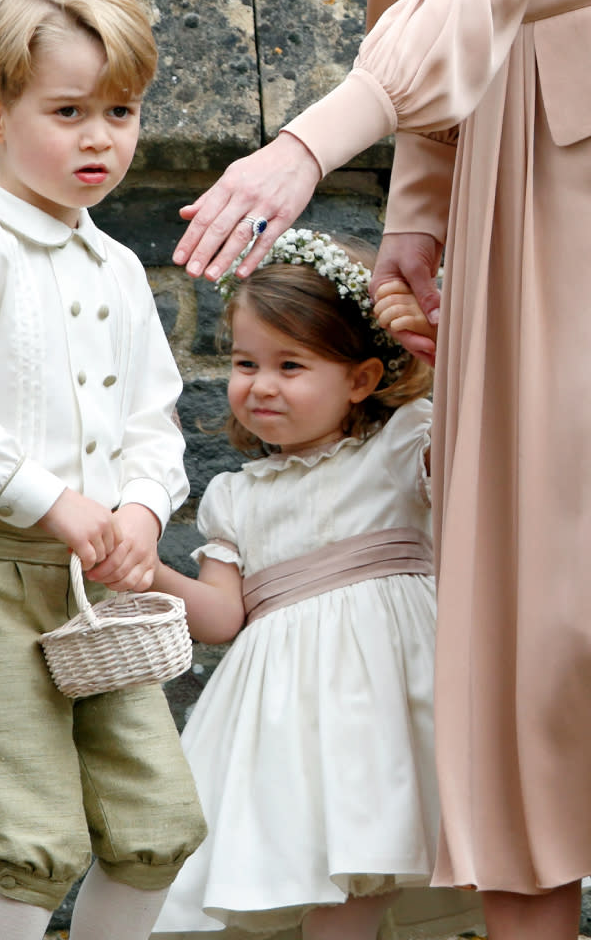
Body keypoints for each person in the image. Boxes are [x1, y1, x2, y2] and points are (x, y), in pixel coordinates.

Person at [168, 0, 591, 937]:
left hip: (559, 182)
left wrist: (303, 147)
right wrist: (420, 204)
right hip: (511, 152)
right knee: (522, 641)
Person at [0, 0, 207, 940]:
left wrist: (142, 508)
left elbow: (155, 416)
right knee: (35, 841)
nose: (99, 137)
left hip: (102, 584)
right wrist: (56, 502)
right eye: (67, 112)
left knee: (156, 825)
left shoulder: (114, 266)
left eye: (121, 112)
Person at [147, 229, 481, 940]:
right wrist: (145, 569)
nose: (260, 385)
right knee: (320, 871)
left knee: (361, 873)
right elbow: (219, 618)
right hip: (289, 718)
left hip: (390, 696)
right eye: (245, 362)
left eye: (290, 364)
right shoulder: (235, 496)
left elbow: (470, 447)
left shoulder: (400, 447)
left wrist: (446, 348)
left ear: (360, 378)